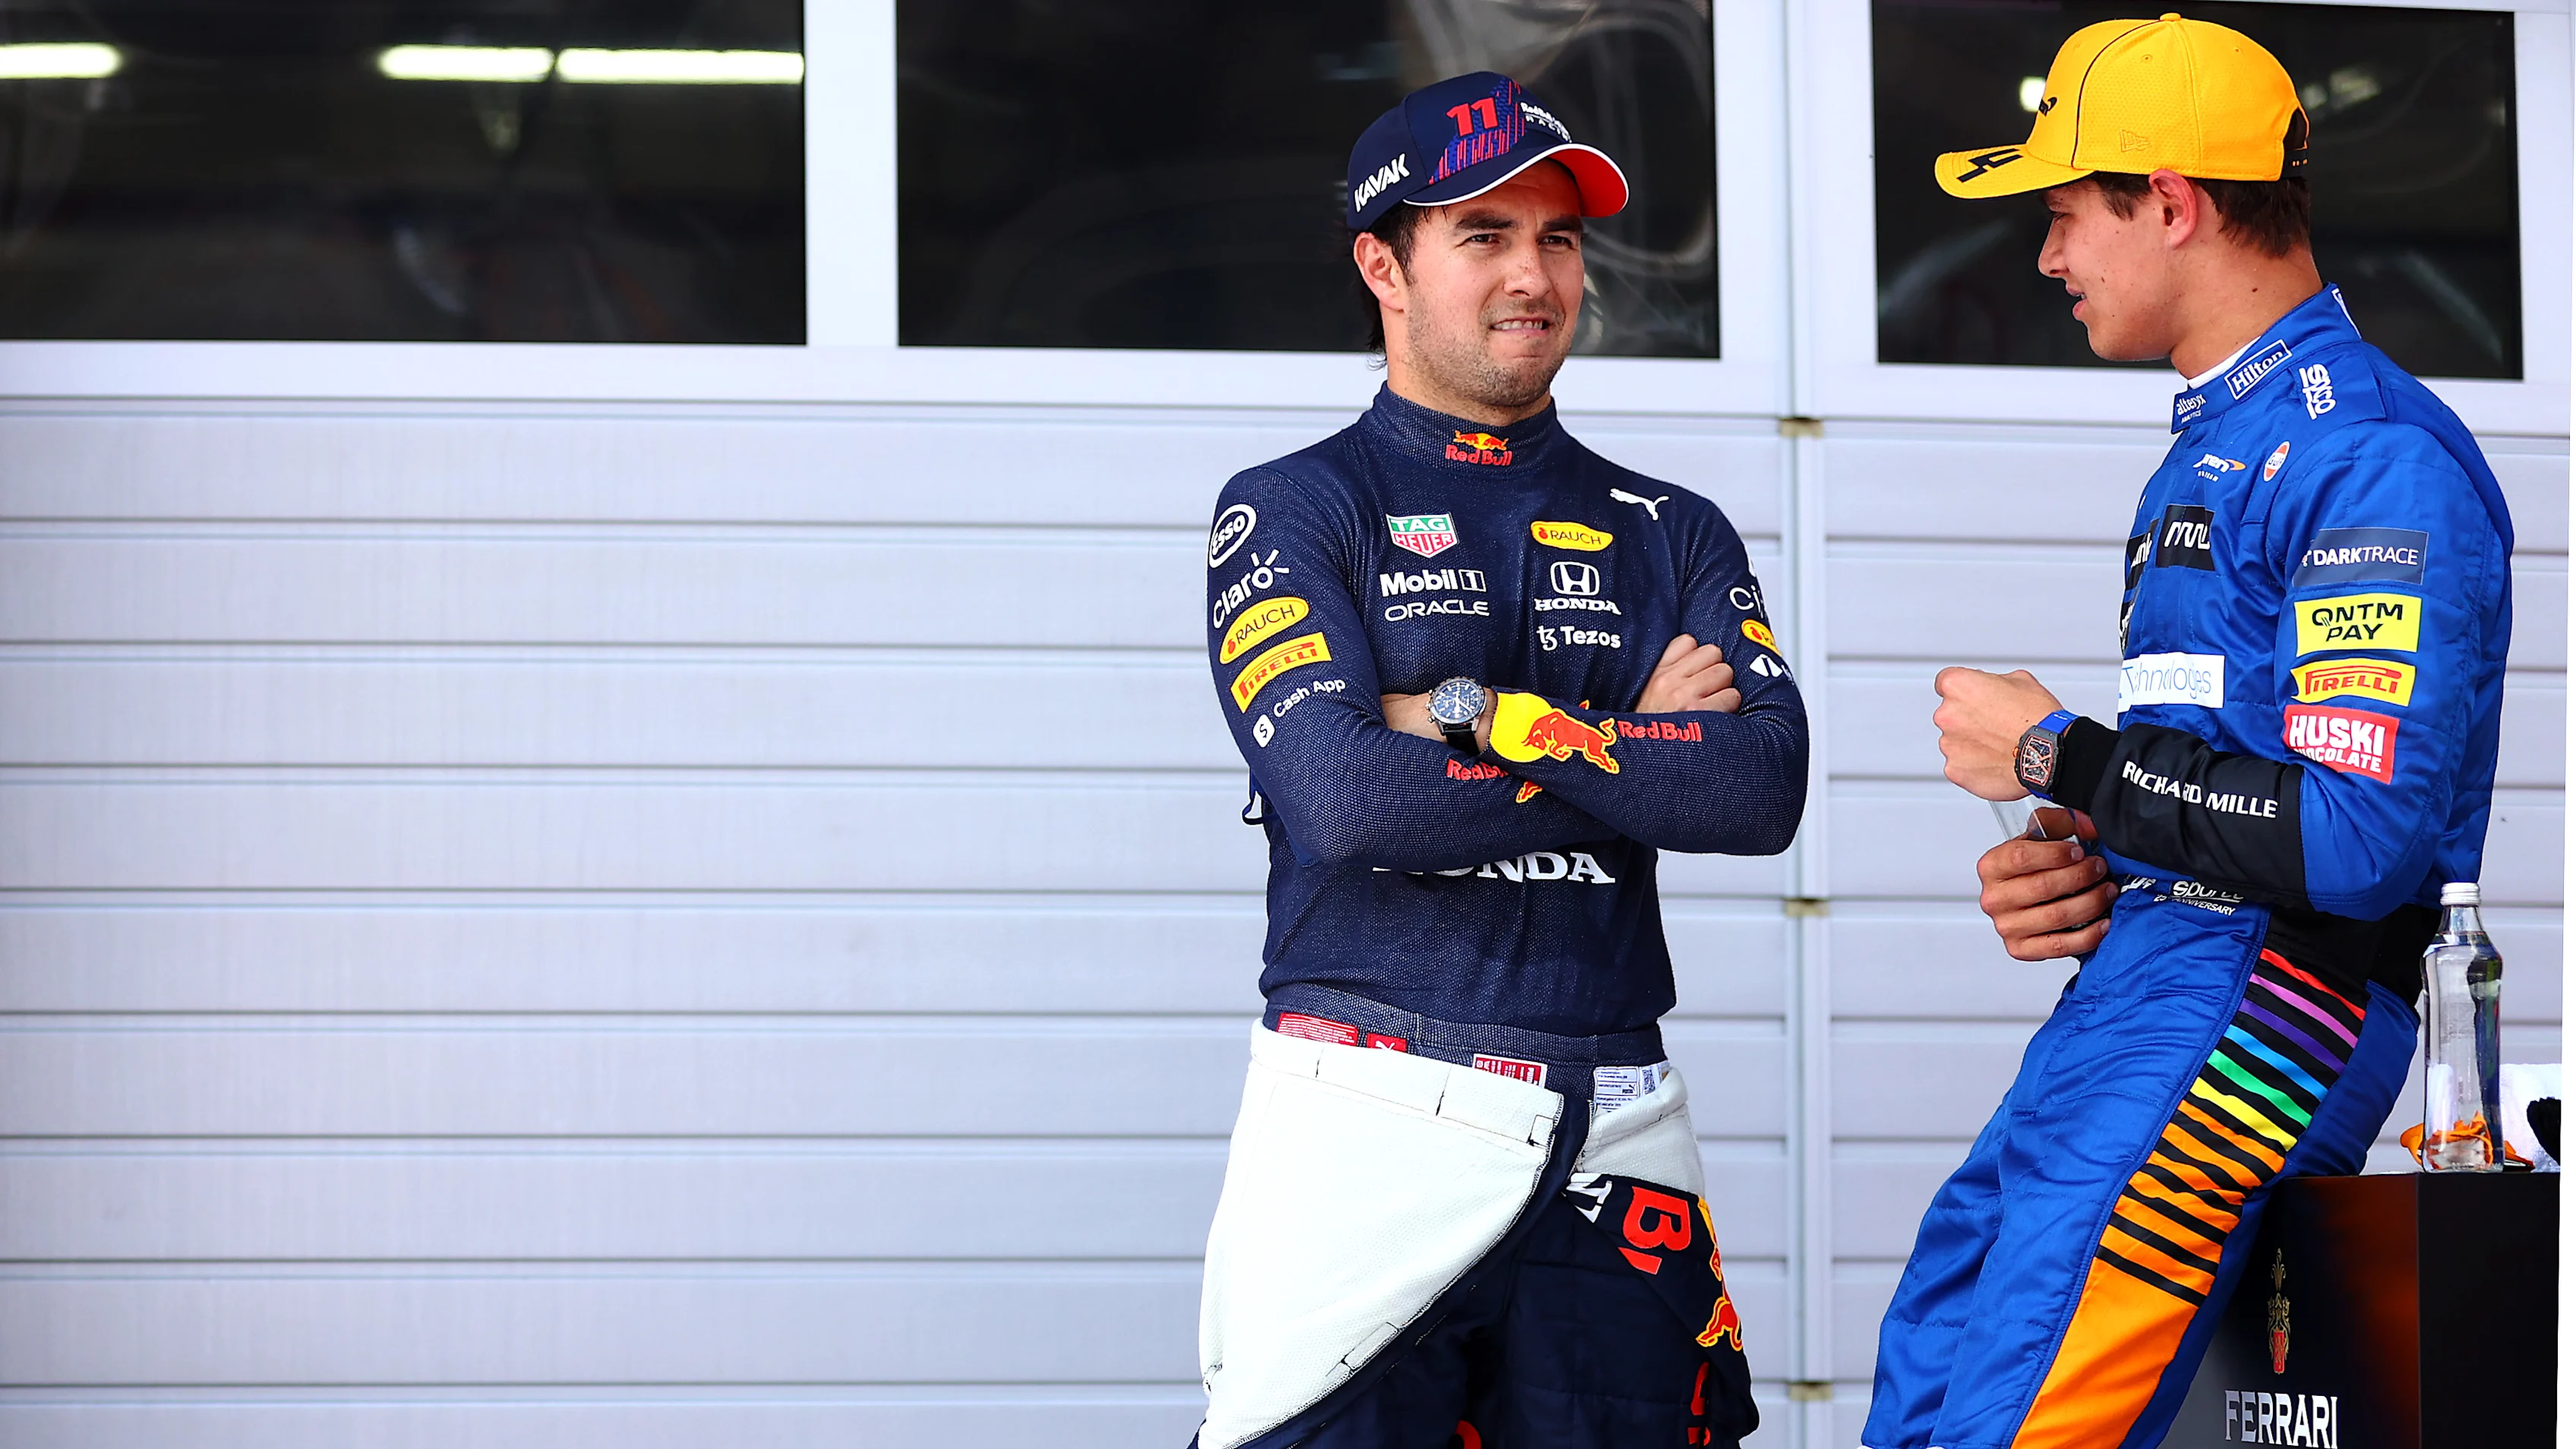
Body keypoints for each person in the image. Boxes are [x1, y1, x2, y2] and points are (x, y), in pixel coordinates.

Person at [1870, 16, 2514, 1449]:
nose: (2044, 259)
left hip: (2270, 1007)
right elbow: (2239, 789)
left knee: (2027, 1419)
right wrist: (2093, 864)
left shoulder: (2370, 459)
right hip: (2152, 986)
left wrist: (2067, 758)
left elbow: (2351, 839)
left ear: (2170, 201)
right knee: (1937, 1357)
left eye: (2061, 216)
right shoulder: (2218, 442)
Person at [1191, 71, 1807, 1449]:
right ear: (1383, 266)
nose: (1535, 276)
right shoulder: (1292, 508)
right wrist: (1622, 737)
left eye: (1561, 238)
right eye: (1484, 236)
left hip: (1617, 1126)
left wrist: (1464, 712)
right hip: (1364, 1107)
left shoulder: (1673, 528)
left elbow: (1759, 792)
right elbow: (1346, 801)